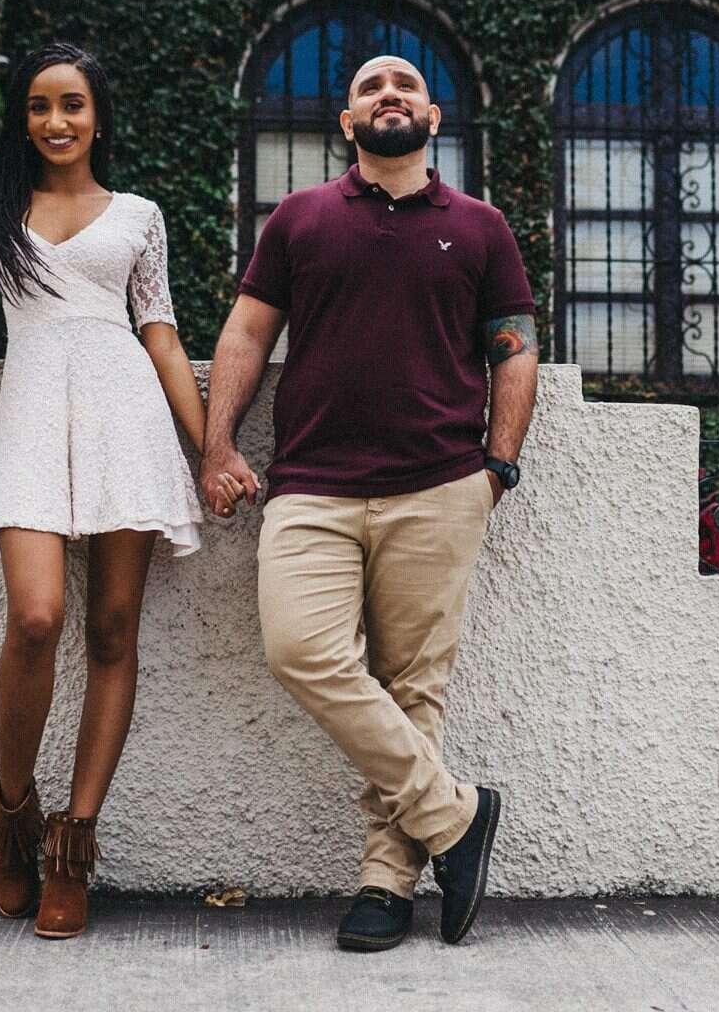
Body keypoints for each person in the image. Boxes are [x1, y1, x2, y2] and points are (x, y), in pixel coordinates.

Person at [199, 54, 538, 951]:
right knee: (299, 649)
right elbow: (246, 331)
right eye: (369, 89)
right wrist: (218, 442)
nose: (390, 94)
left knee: (413, 686)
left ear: (434, 116)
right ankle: (457, 816)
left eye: (407, 86)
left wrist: (496, 466)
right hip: (311, 484)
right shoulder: (301, 220)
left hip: (439, 483)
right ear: (348, 124)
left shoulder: (480, 228)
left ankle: (387, 885)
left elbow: (515, 349)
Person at [0, 42, 205, 939]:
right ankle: (13, 815)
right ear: (22, 118)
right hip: (32, 415)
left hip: (127, 418)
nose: (56, 121)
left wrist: (210, 446)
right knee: (36, 617)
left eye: (72, 105)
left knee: (113, 629)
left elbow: (161, 335)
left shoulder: (139, 215)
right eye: (39, 106)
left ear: (98, 115)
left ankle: (75, 842)